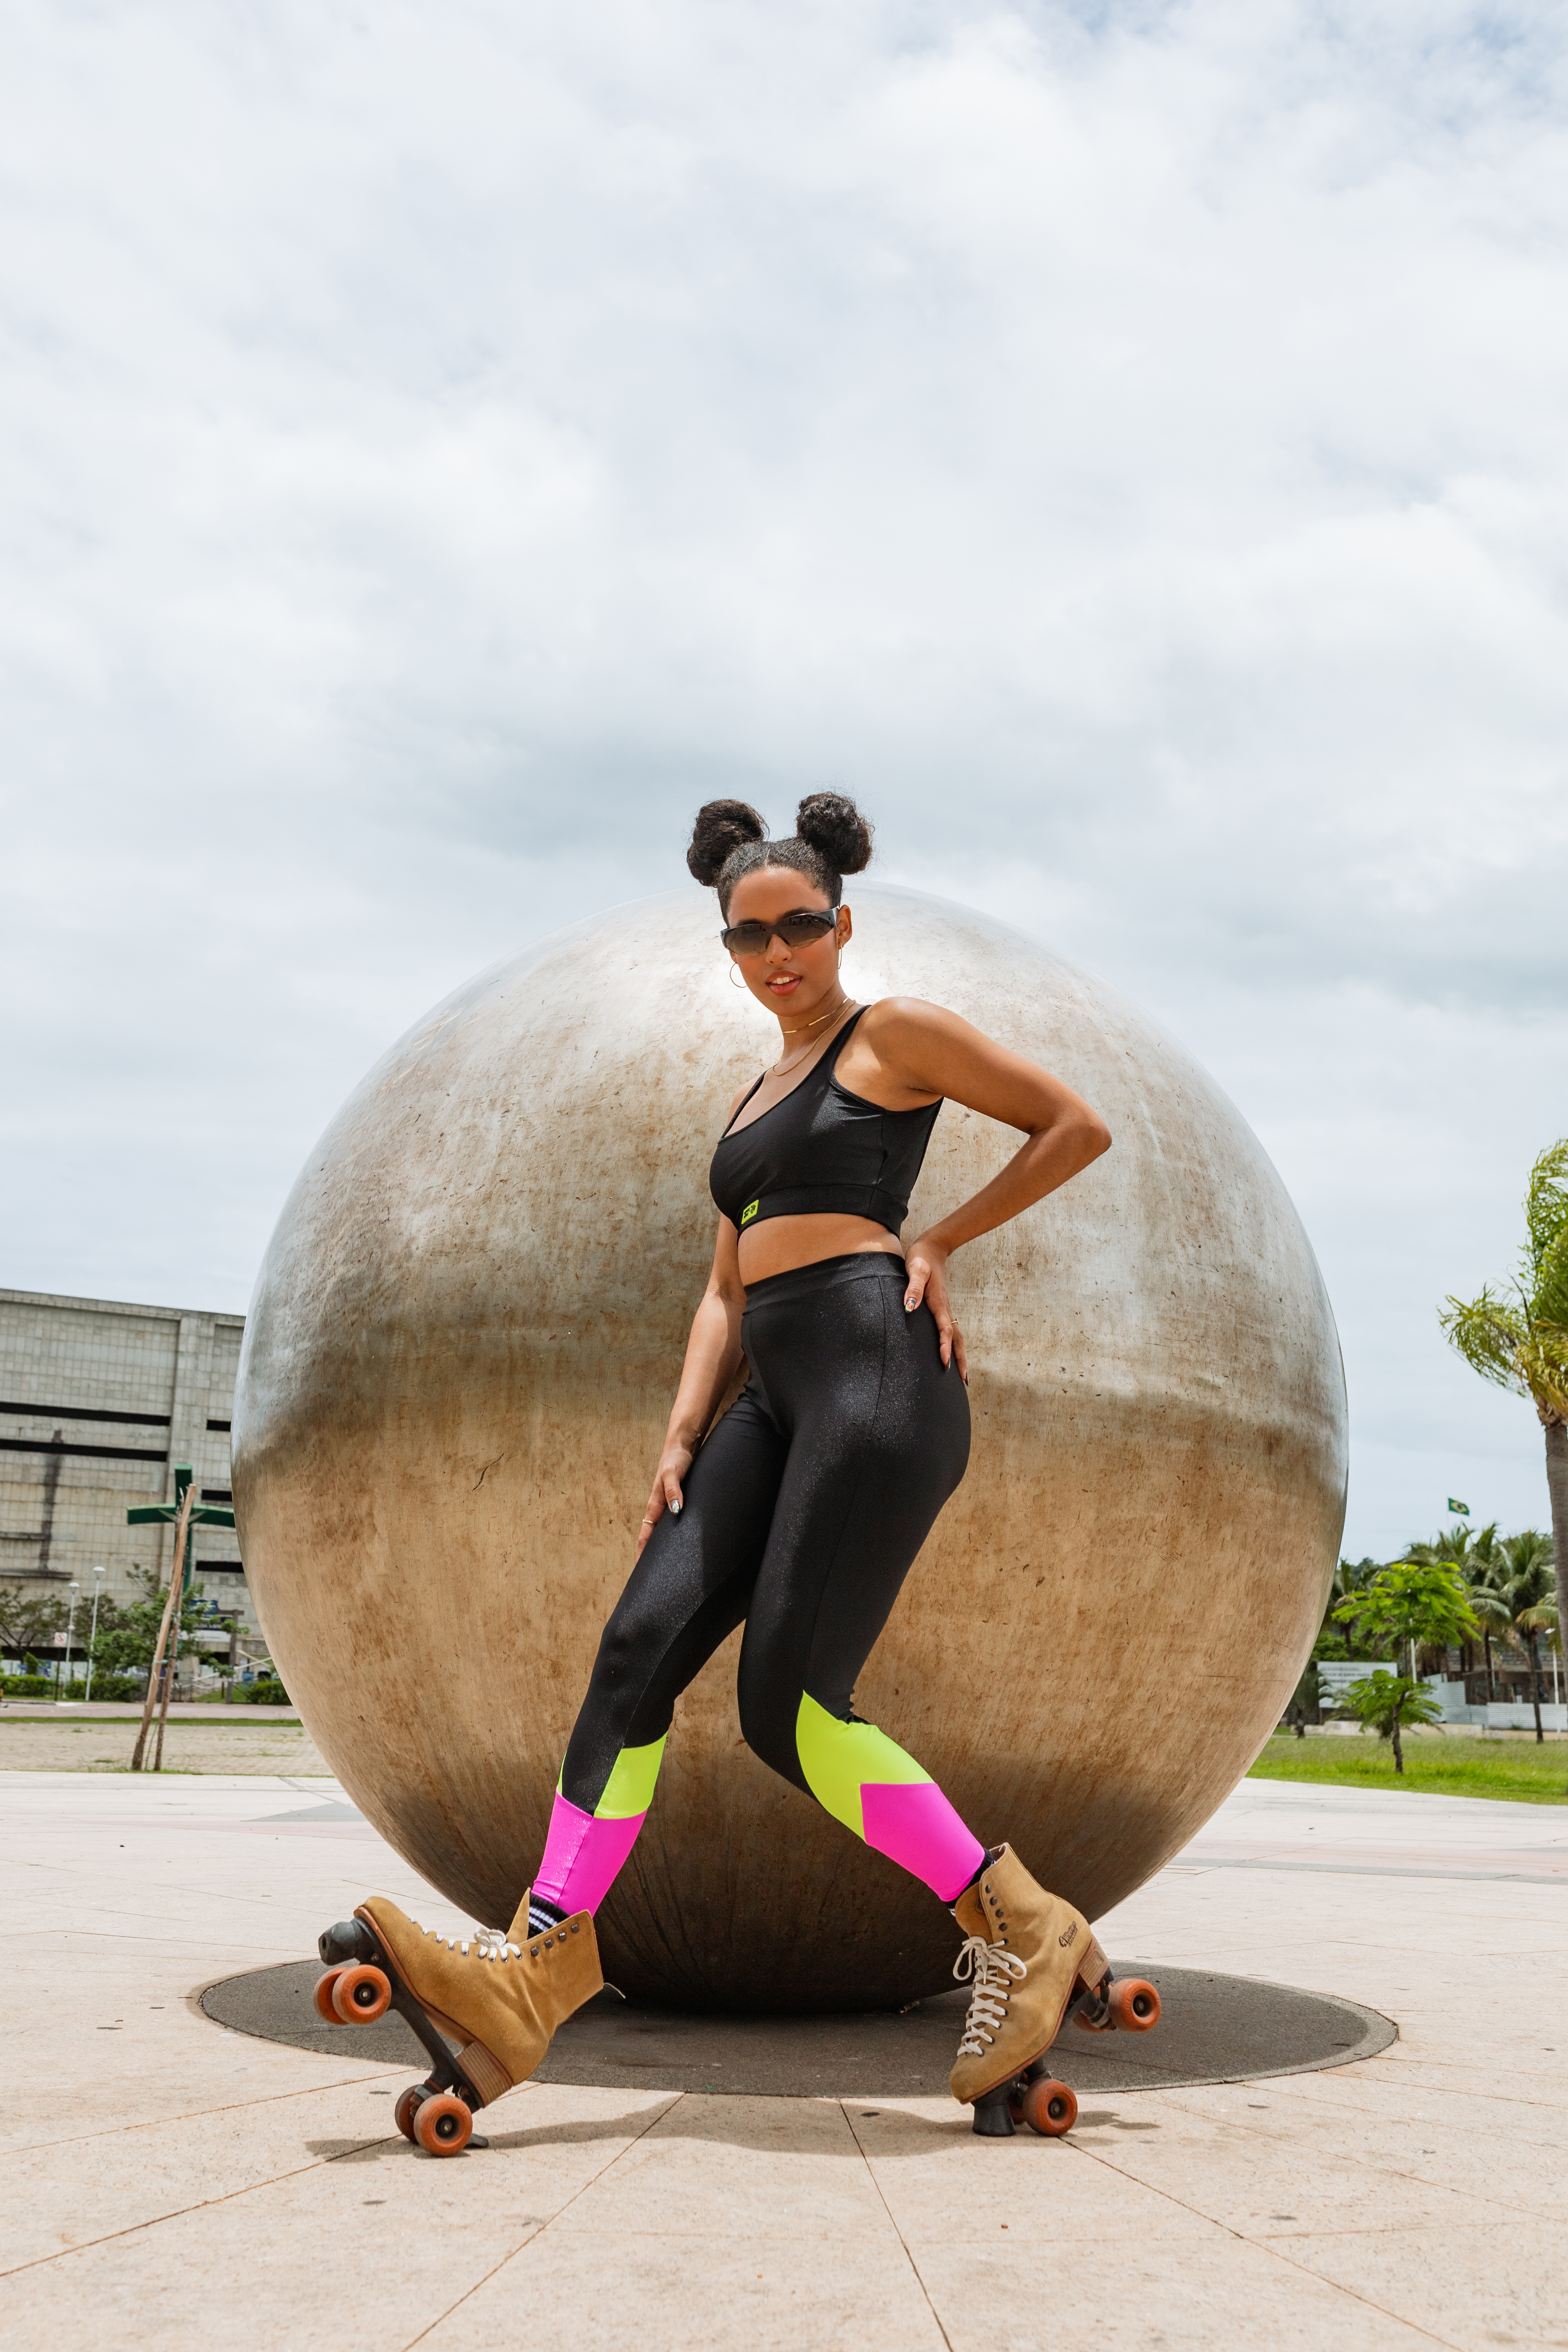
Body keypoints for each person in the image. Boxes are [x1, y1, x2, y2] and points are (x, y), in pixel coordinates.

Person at [328, 793, 1125, 2144]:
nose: (777, 954)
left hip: (880, 1372)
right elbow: (721, 1291)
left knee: (790, 1709)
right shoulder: (754, 1098)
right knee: (636, 1649)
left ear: (841, 921)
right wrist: (685, 1428)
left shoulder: (894, 1035)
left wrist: (939, 1240)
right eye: (748, 935)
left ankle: (1023, 1922)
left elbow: (1072, 1124)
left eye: (799, 926)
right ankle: (537, 1964)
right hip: (770, 1392)